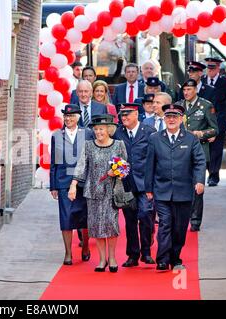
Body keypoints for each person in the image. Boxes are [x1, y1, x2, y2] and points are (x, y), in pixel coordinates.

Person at [145, 104, 206, 270]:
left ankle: (175, 257)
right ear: (164, 118)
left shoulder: (191, 139)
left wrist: (199, 181)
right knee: (165, 224)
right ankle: (163, 259)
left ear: (181, 119)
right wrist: (148, 188)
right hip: (161, 190)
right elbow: (149, 164)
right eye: (168, 116)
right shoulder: (155, 138)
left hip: (184, 191)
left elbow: (199, 162)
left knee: (179, 227)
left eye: (175, 117)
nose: (171, 119)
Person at [69, 114, 127, 273]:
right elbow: (81, 166)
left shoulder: (118, 145)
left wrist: (117, 171)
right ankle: (102, 260)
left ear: (109, 129)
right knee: (96, 227)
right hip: (93, 191)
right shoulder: (88, 146)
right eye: (95, 129)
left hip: (111, 191)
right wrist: (73, 184)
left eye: (101, 129)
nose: (98, 132)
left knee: (111, 225)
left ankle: (113, 258)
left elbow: (125, 167)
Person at [113, 103, 157, 267]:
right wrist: (121, 174)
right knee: (130, 220)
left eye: (127, 114)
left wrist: (153, 183)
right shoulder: (118, 133)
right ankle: (132, 255)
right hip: (126, 183)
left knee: (145, 215)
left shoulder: (149, 132)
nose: (124, 118)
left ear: (136, 114)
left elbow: (153, 158)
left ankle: (146, 251)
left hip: (145, 184)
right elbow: (115, 157)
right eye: (122, 115)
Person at [50, 104, 93, 265]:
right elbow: (54, 162)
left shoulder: (87, 133)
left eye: (72, 116)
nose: (68, 119)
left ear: (78, 117)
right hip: (63, 181)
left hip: (84, 180)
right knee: (66, 217)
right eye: (66, 116)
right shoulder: (57, 135)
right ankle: (68, 253)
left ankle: (86, 246)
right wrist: (53, 185)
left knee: (84, 216)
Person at [177, 79, 218, 232]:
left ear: (196, 90)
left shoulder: (205, 105)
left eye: (189, 89)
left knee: (197, 187)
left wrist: (200, 134)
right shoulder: (179, 106)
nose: (186, 92)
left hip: (198, 151)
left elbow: (215, 129)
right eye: (184, 89)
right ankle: (183, 217)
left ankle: (195, 221)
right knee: (182, 186)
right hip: (180, 152)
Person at [202, 57, 226, 186]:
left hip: (219, 121)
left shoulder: (225, 82)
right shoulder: (202, 81)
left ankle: (213, 177)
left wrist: (223, 112)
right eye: (209, 68)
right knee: (206, 149)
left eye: (213, 68)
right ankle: (208, 171)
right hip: (204, 122)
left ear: (218, 68)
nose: (210, 70)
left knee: (216, 149)